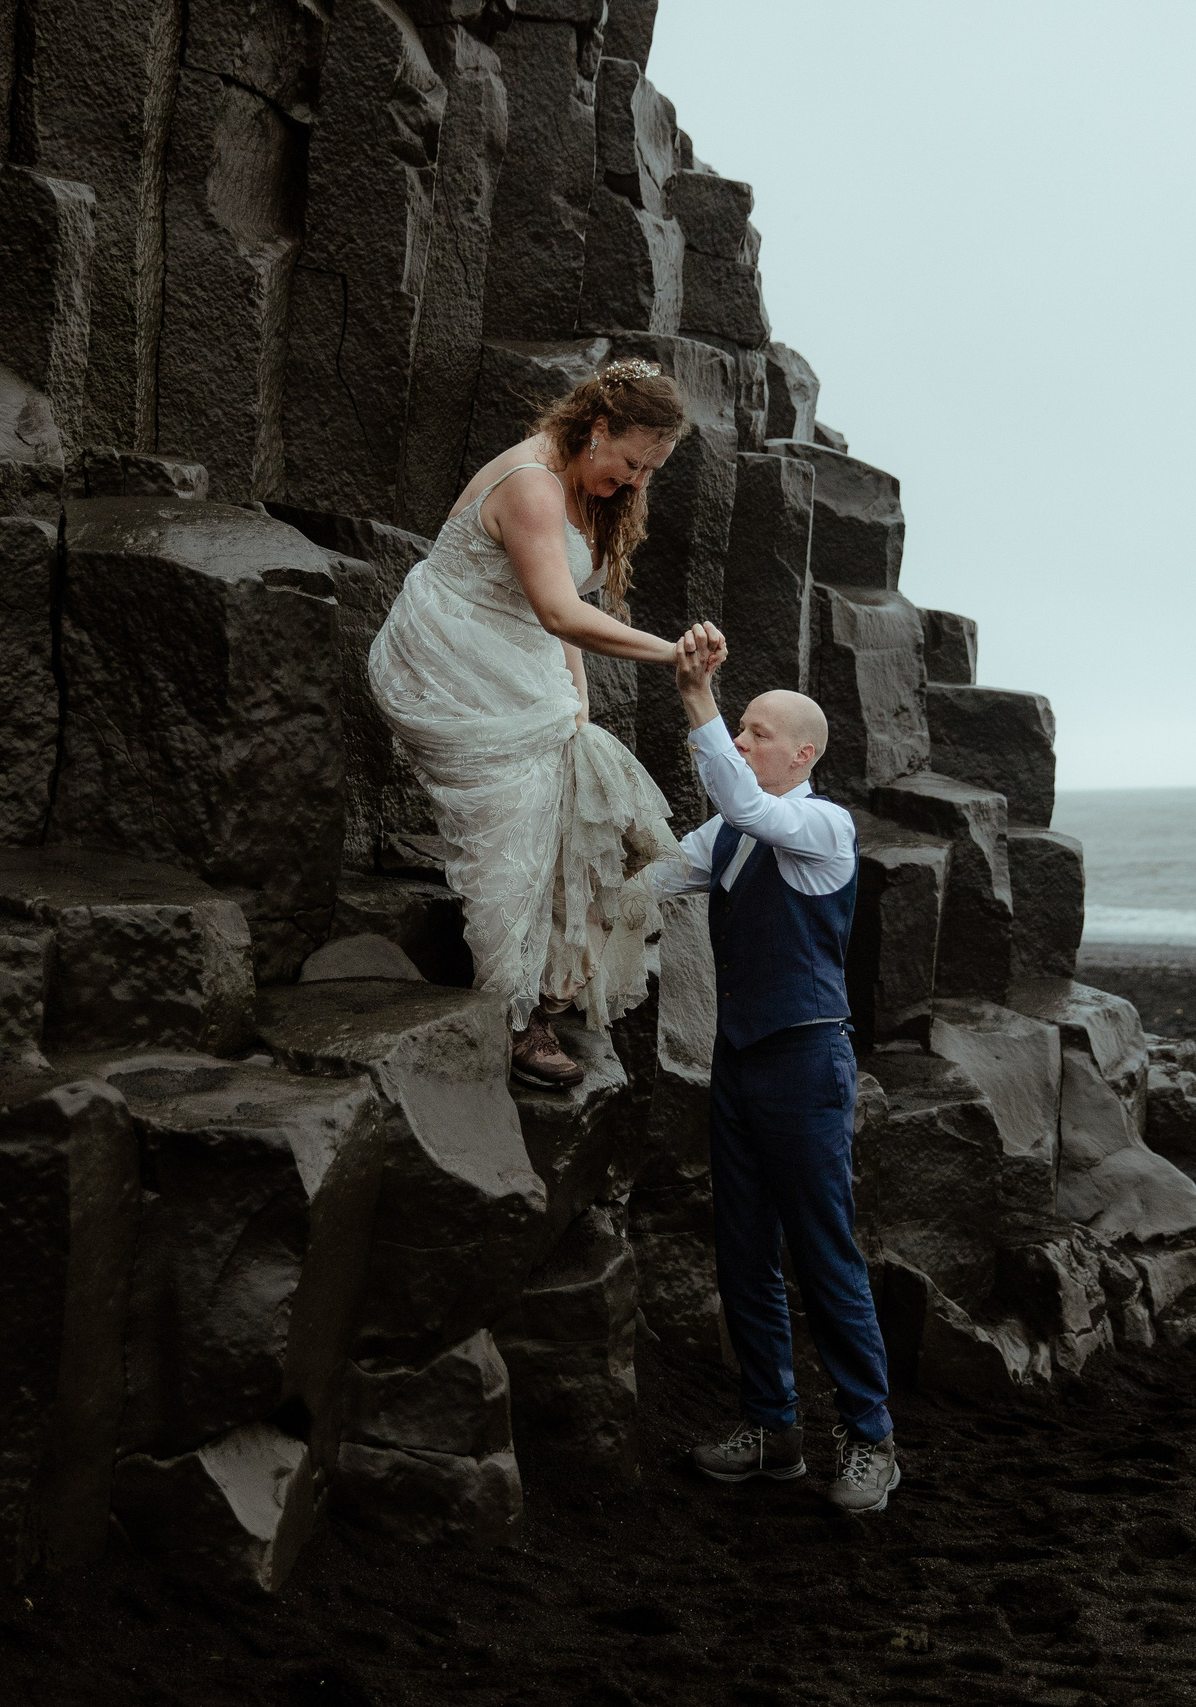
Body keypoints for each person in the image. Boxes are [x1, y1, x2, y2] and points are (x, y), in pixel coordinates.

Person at [367, 359, 693, 1087]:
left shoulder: (592, 489)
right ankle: (512, 1016)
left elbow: (561, 629)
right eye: (634, 462)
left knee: (584, 778)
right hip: (445, 656)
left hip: (515, 652)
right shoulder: (532, 485)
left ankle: (545, 988)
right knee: (515, 812)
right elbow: (555, 609)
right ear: (598, 428)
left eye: (652, 470)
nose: (638, 481)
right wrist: (672, 654)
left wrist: (576, 702)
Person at [659, 622, 900, 1515]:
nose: (744, 739)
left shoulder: (821, 824)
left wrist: (697, 699)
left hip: (807, 1063)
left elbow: (747, 803)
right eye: (740, 726)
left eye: (759, 730)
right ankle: (773, 1430)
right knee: (743, 1252)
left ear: (802, 754)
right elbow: (643, 876)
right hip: (740, 1062)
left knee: (825, 1253)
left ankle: (870, 1439)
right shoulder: (723, 837)